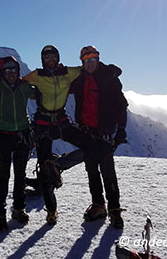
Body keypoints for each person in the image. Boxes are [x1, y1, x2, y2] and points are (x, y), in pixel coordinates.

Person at [23, 45, 93, 225]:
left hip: (61, 120)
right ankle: (51, 211)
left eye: (53, 56)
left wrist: (107, 70)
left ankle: (58, 164)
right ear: (42, 60)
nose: (50, 59)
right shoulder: (37, 75)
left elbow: (87, 68)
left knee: (89, 147)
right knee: (45, 171)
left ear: (57, 57)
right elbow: (16, 82)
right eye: (47, 57)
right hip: (43, 123)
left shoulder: (68, 72)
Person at [69, 46, 128, 229]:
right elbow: (61, 86)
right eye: (86, 61)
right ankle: (98, 205)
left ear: (98, 60)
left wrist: (121, 129)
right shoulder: (79, 79)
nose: (90, 64)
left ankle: (115, 210)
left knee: (108, 172)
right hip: (87, 133)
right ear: (82, 63)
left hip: (104, 134)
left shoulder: (108, 78)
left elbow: (121, 105)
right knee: (92, 171)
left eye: (93, 60)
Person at [0, 56, 35, 232]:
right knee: (3, 177)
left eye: (13, 70)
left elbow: (40, 91)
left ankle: (18, 208)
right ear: (1, 72)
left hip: (22, 135)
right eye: (7, 71)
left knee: (20, 175)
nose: (11, 74)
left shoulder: (24, 87)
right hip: (3, 136)